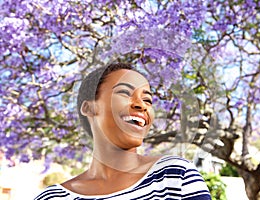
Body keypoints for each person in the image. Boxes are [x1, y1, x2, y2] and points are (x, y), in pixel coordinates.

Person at [34, 63, 212, 200]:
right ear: (89, 108)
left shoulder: (174, 175)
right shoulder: (53, 197)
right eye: (125, 93)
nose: (141, 104)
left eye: (147, 100)